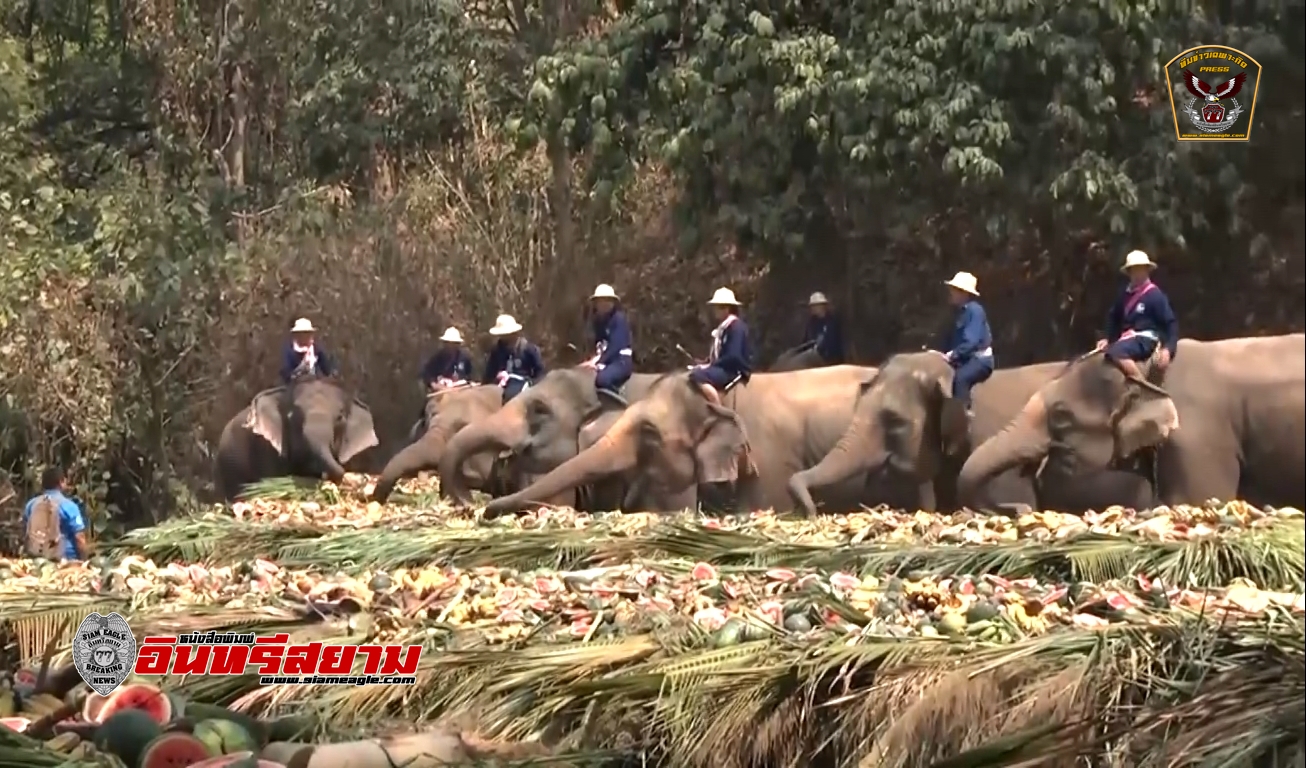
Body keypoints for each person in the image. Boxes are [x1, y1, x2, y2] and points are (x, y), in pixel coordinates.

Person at [1095, 250, 1178, 380]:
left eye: (1140, 269)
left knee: (1116, 352)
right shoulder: (1124, 295)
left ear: (1147, 270)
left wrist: (1168, 349)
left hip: (1146, 340)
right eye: (1133, 270)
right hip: (1128, 340)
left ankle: (1140, 383)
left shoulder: (1155, 295)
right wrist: (1106, 338)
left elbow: (1170, 323)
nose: (1137, 274)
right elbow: (1113, 317)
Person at [932, 272, 994, 414]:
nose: (951, 293)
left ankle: (962, 417)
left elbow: (971, 341)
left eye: (954, 289)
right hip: (963, 358)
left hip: (979, 360)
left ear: (964, 293)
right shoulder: (957, 313)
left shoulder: (975, 311)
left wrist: (952, 355)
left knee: (960, 379)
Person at [689, 287, 753, 406]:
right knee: (695, 370)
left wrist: (710, 366)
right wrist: (705, 362)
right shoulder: (725, 327)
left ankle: (717, 407)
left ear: (726, 308)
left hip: (733, 370)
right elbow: (723, 353)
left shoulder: (736, 327)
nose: (715, 311)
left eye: (717, 308)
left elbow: (733, 356)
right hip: (724, 367)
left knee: (697, 376)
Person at [24, 466, 89, 561]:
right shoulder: (69, 506)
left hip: (37, 559)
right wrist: (85, 561)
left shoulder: (31, 504)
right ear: (61, 482)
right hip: (66, 561)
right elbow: (79, 538)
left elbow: (27, 530)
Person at [582, 284, 634, 396]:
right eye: (599, 301)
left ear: (613, 303)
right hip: (606, 362)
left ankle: (617, 400)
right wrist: (592, 361)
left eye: (607, 300)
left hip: (620, 361)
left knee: (602, 379)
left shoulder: (618, 319)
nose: (603, 304)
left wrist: (598, 361)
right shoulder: (598, 322)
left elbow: (616, 347)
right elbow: (599, 345)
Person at [482, 314, 546, 403]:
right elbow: (489, 374)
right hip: (500, 388)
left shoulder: (529, 349)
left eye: (507, 334)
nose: (505, 338)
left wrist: (531, 384)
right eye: (502, 335)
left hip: (523, 389)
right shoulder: (497, 351)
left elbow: (540, 373)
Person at [279, 318, 337, 384]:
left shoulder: (316, 348)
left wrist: (331, 373)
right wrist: (296, 377)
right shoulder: (289, 350)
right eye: (302, 333)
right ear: (296, 335)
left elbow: (325, 366)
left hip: (314, 380)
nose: (305, 336)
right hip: (294, 383)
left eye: (307, 333)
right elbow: (285, 370)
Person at [803, 292, 845, 364]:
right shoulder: (811, 323)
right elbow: (807, 341)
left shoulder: (832, 322)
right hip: (813, 360)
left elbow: (833, 344)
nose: (813, 309)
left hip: (830, 361)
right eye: (812, 306)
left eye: (815, 306)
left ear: (822, 306)